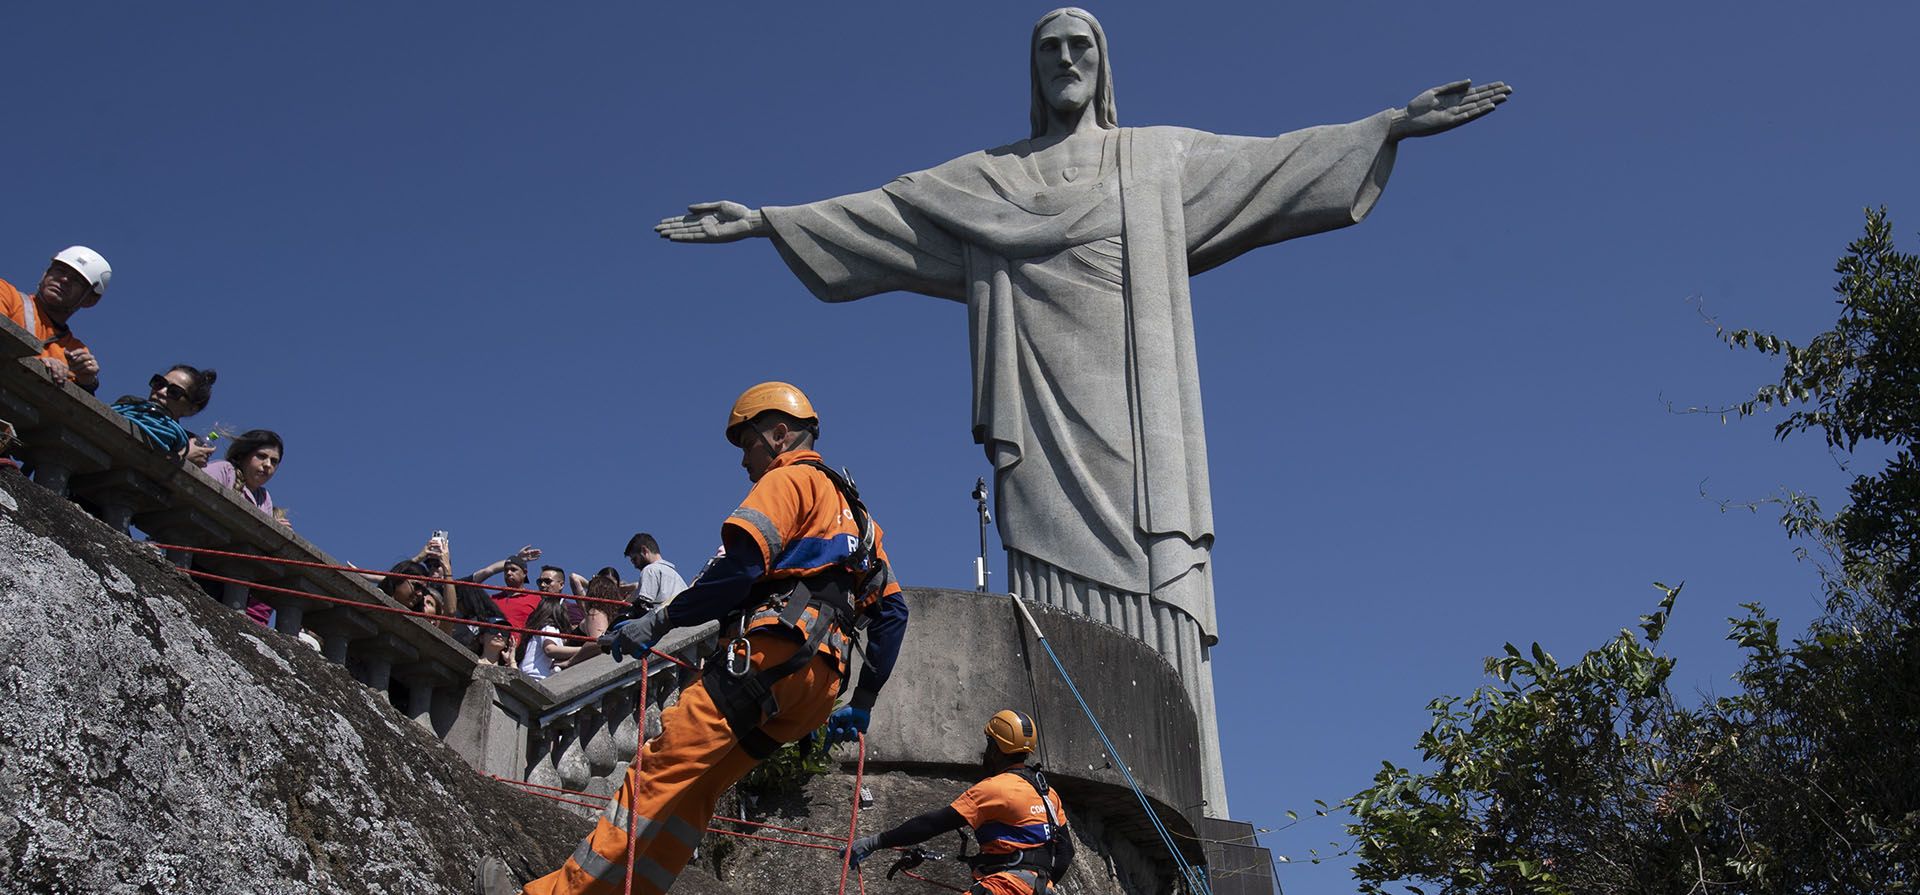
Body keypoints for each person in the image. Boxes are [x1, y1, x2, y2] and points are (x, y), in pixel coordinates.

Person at [653, 8, 1510, 810]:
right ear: (1033, 70)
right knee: (1051, 572)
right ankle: (1057, 765)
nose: (1066, 60)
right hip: (1039, 411)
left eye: (1081, 47)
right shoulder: (986, 181)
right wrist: (767, 220)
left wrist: (1389, 124)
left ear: (1103, 68)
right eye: (1049, 49)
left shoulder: (1156, 160)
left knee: (1158, 566)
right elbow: (882, 211)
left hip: (1139, 405)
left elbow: (1276, 162)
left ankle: (1192, 798)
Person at [482, 382, 910, 895]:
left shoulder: (789, 480)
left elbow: (739, 571)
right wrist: (863, 701)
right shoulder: (862, 519)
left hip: (767, 657)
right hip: (816, 688)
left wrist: (658, 623)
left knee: (659, 773)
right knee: (695, 796)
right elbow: (893, 613)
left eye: (747, 444)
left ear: (778, 434)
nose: (744, 460)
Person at [847, 710, 1074, 895]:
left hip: (1004, 887)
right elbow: (1065, 853)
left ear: (995, 749)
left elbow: (932, 824)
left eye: (988, 744)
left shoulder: (995, 788)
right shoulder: (1047, 793)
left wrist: (875, 842)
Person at [1, 246, 111, 393]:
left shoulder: (74, 350)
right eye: (60, 270)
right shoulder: (6, 295)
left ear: (90, 300)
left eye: (76, 280)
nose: (64, 279)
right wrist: (39, 366)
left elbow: (70, 408)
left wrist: (87, 382)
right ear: (45, 274)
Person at [109, 365, 216, 457]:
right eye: (159, 383)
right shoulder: (126, 404)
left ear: (191, 409)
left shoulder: (186, 444)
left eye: (174, 392)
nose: (161, 392)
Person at [204, 429, 286, 524]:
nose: (268, 464)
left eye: (274, 461)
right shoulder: (224, 471)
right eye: (261, 456)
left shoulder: (264, 498)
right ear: (243, 455)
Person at [516, 594, 584, 681]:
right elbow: (550, 649)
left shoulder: (538, 630)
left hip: (530, 676)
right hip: (538, 677)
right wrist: (583, 650)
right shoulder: (549, 627)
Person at [624, 532, 688, 610]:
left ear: (644, 550)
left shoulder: (650, 570)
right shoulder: (677, 577)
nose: (635, 566)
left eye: (635, 559)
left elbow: (643, 606)